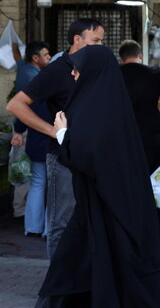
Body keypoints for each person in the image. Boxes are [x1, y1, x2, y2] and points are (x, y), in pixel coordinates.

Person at [10, 45, 160, 308]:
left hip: (113, 206)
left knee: (125, 263)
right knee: (68, 258)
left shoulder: (102, 108)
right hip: (97, 202)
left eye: (78, 69)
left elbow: (91, 157)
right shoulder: (99, 103)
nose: (74, 75)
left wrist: (62, 134)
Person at [6, 18, 105, 258]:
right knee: (62, 220)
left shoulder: (93, 69)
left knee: (86, 219)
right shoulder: (56, 70)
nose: (100, 46)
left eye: (102, 41)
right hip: (62, 159)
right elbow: (16, 105)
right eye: (96, 41)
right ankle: (57, 279)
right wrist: (53, 131)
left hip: (90, 157)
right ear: (77, 39)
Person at [119, 39, 160, 173]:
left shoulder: (113, 75)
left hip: (121, 134)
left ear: (121, 59)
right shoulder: (153, 73)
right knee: (151, 175)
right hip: (149, 135)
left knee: (124, 173)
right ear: (140, 55)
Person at [10, 41, 52, 237]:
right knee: (53, 187)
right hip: (53, 145)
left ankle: (32, 228)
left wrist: (18, 131)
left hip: (36, 144)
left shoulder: (34, 85)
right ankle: (49, 230)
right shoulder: (59, 90)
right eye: (45, 54)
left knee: (37, 183)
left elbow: (23, 111)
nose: (48, 57)